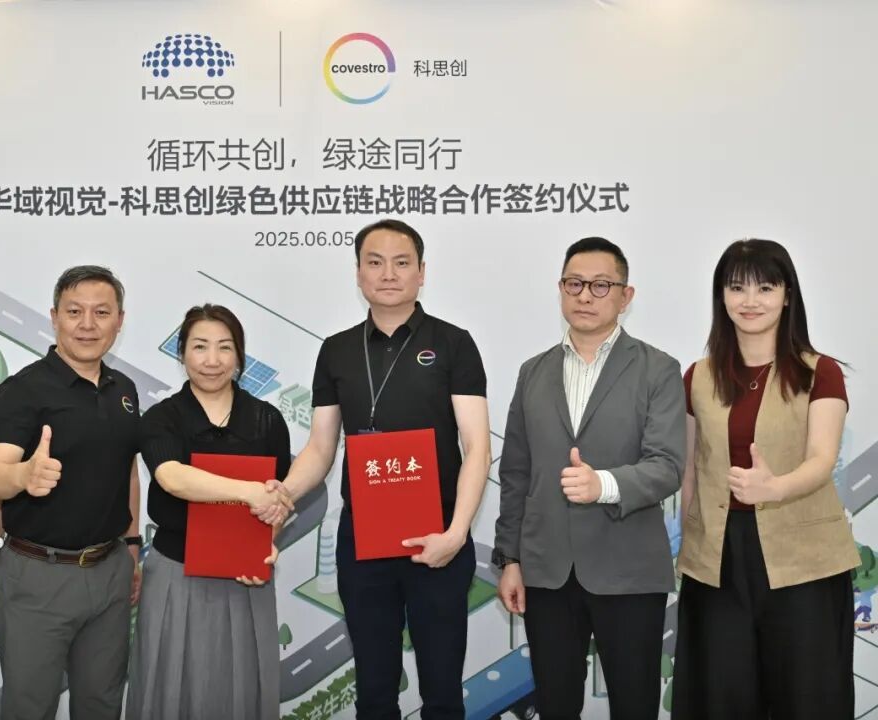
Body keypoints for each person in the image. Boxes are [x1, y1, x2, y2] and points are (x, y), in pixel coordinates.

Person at [263, 218, 491, 719]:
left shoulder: (453, 343)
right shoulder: (336, 350)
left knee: (443, 694)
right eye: (375, 262)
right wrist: (283, 494)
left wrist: (456, 535)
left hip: (439, 538)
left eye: (402, 262)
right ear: (359, 273)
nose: (389, 274)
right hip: (364, 541)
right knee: (374, 691)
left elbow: (477, 448)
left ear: (422, 272)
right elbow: (321, 448)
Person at [493, 236, 686, 720]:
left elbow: (667, 465)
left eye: (601, 285)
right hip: (547, 571)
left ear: (626, 296)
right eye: (574, 283)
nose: (585, 295)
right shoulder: (532, 372)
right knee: (556, 705)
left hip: (628, 570)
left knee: (634, 704)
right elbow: (515, 473)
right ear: (560, 289)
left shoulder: (658, 369)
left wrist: (604, 485)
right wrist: (510, 558)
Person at [673, 239, 859, 719]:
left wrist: (774, 488)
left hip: (803, 560)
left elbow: (821, 458)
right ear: (721, 296)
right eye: (737, 288)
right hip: (718, 559)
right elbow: (691, 470)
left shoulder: (820, 372)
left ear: (787, 295)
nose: (750, 300)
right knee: (720, 695)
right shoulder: (698, 377)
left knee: (807, 696)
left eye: (765, 287)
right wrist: (690, 548)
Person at [0, 265, 142, 720]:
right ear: (54, 318)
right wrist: (23, 476)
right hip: (39, 576)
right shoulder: (23, 390)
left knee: (102, 703)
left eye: (101, 312)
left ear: (119, 321)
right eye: (74, 312)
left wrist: (131, 546)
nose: (87, 324)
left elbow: (128, 472)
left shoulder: (124, 389)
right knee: (30, 707)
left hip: (110, 571)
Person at [125, 304, 293, 719]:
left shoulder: (267, 420)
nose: (212, 360)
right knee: (171, 687)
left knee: (242, 690)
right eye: (200, 347)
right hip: (176, 573)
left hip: (246, 577)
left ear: (239, 356)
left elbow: (279, 499)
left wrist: (268, 542)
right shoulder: (163, 417)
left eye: (224, 347)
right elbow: (172, 478)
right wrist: (248, 492)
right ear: (182, 353)